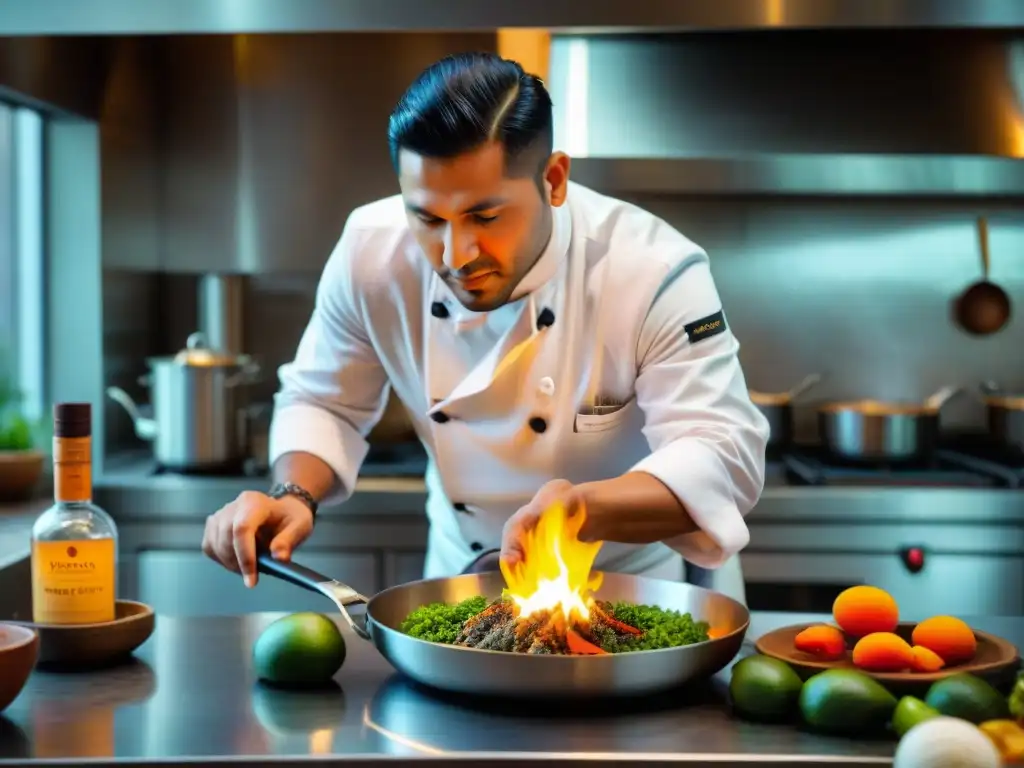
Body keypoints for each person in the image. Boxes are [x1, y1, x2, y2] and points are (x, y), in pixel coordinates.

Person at [201, 52, 769, 604]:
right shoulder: (370, 252)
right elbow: (324, 400)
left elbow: (722, 451)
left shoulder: (652, 269)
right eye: (426, 217)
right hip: (461, 585)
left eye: (485, 216)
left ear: (554, 179)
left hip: (629, 590)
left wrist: (582, 510)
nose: (455, 254)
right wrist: (294, 495)